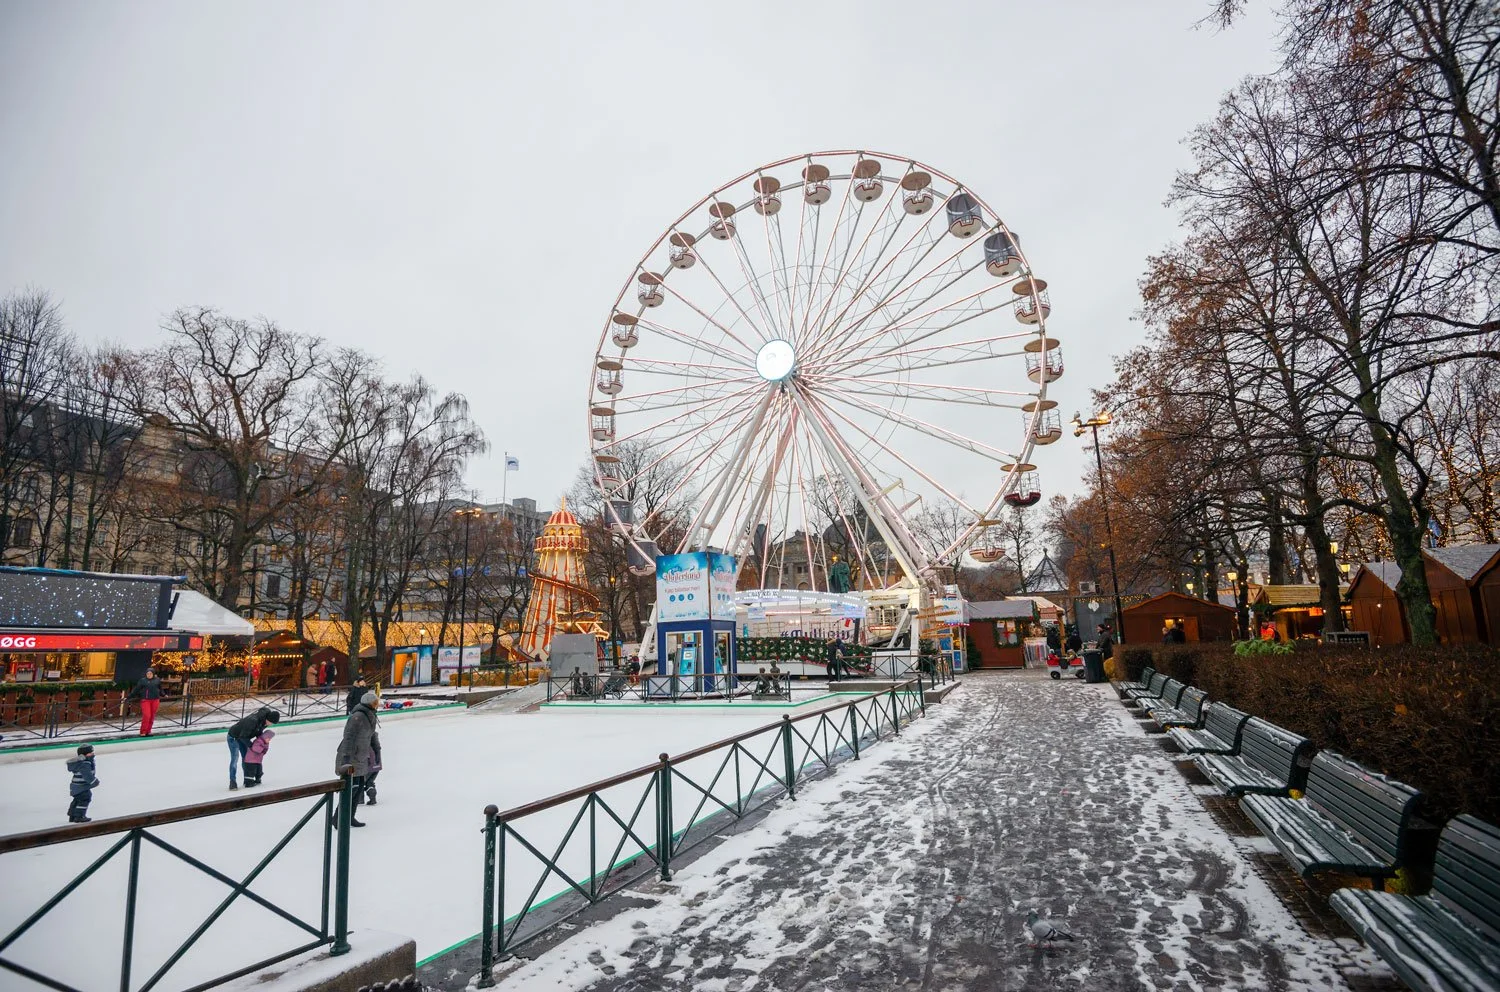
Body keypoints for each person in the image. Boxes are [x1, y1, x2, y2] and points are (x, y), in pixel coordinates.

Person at [335, 691, 381, 828]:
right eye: (375, 702)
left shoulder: (370, 715)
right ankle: (337, 818)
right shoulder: (358, 716)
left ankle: (350, 817)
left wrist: (377, 749)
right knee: (351, 789)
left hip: (361, 756)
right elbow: (348, 737)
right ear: (370, 703)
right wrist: (346, 758)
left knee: (359, 787)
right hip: (351, 757)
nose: (377, 705)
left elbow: (372, 735)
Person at [227, 706, 281, 791]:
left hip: (244, 737)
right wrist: (253, 746)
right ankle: (232, 781)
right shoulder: (253, 720)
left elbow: (258, 732)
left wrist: (262, 744)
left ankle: (247, 780)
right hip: (234, 737)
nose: (270, 725)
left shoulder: (264, 722)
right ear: (268, 719)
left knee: (246, 759)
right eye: (271, 722)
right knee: (235, 759)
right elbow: (243, 736)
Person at [67, 744, 99, 823]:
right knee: (85, 798)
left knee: (78, 800)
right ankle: (79, 816)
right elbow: (87, 775)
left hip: (76, 786)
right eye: (90, 752)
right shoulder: (85, 763)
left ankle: (72, 816)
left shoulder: (83, 762)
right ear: (84, 754)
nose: (92, 754)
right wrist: (94, 781)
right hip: (81, 786)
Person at [130, 667, 164, 736]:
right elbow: (136, 689)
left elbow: (160, 688)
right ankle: (143, 731)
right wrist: (129, 696)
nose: (149, 675)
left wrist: (163, 694)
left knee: (152, 716)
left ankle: (148, 731)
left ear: (153, 674)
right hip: (146, 700)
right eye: (148, 673)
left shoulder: (157, 680)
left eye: (150, 673)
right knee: (147, 715)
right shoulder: (143, 681)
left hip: (155, 700)